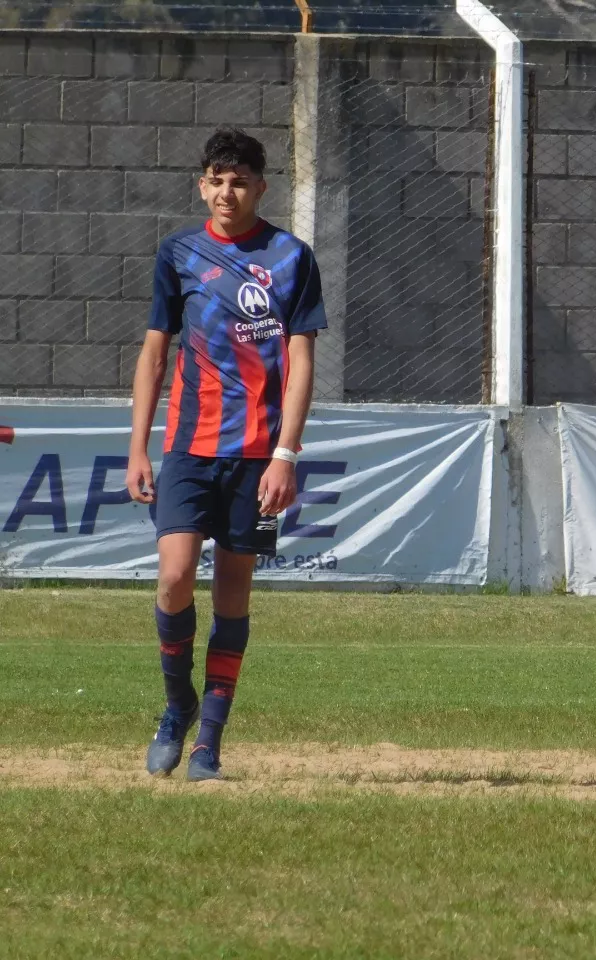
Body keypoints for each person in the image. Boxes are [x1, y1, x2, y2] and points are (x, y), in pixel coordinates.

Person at [126, 127, 326, 781]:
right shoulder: (178, 253)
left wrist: (286, 455)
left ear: (261, 188)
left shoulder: (291, 258)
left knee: (233, 595)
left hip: (256, 456)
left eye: (240, 180)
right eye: (217, 178)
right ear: (201, 184)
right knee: (175, 578)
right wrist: (138, 448)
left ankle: (208, 744)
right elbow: (156, 354)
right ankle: (175, 705)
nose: (227, 190)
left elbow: (300, 363)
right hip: (189, 448)